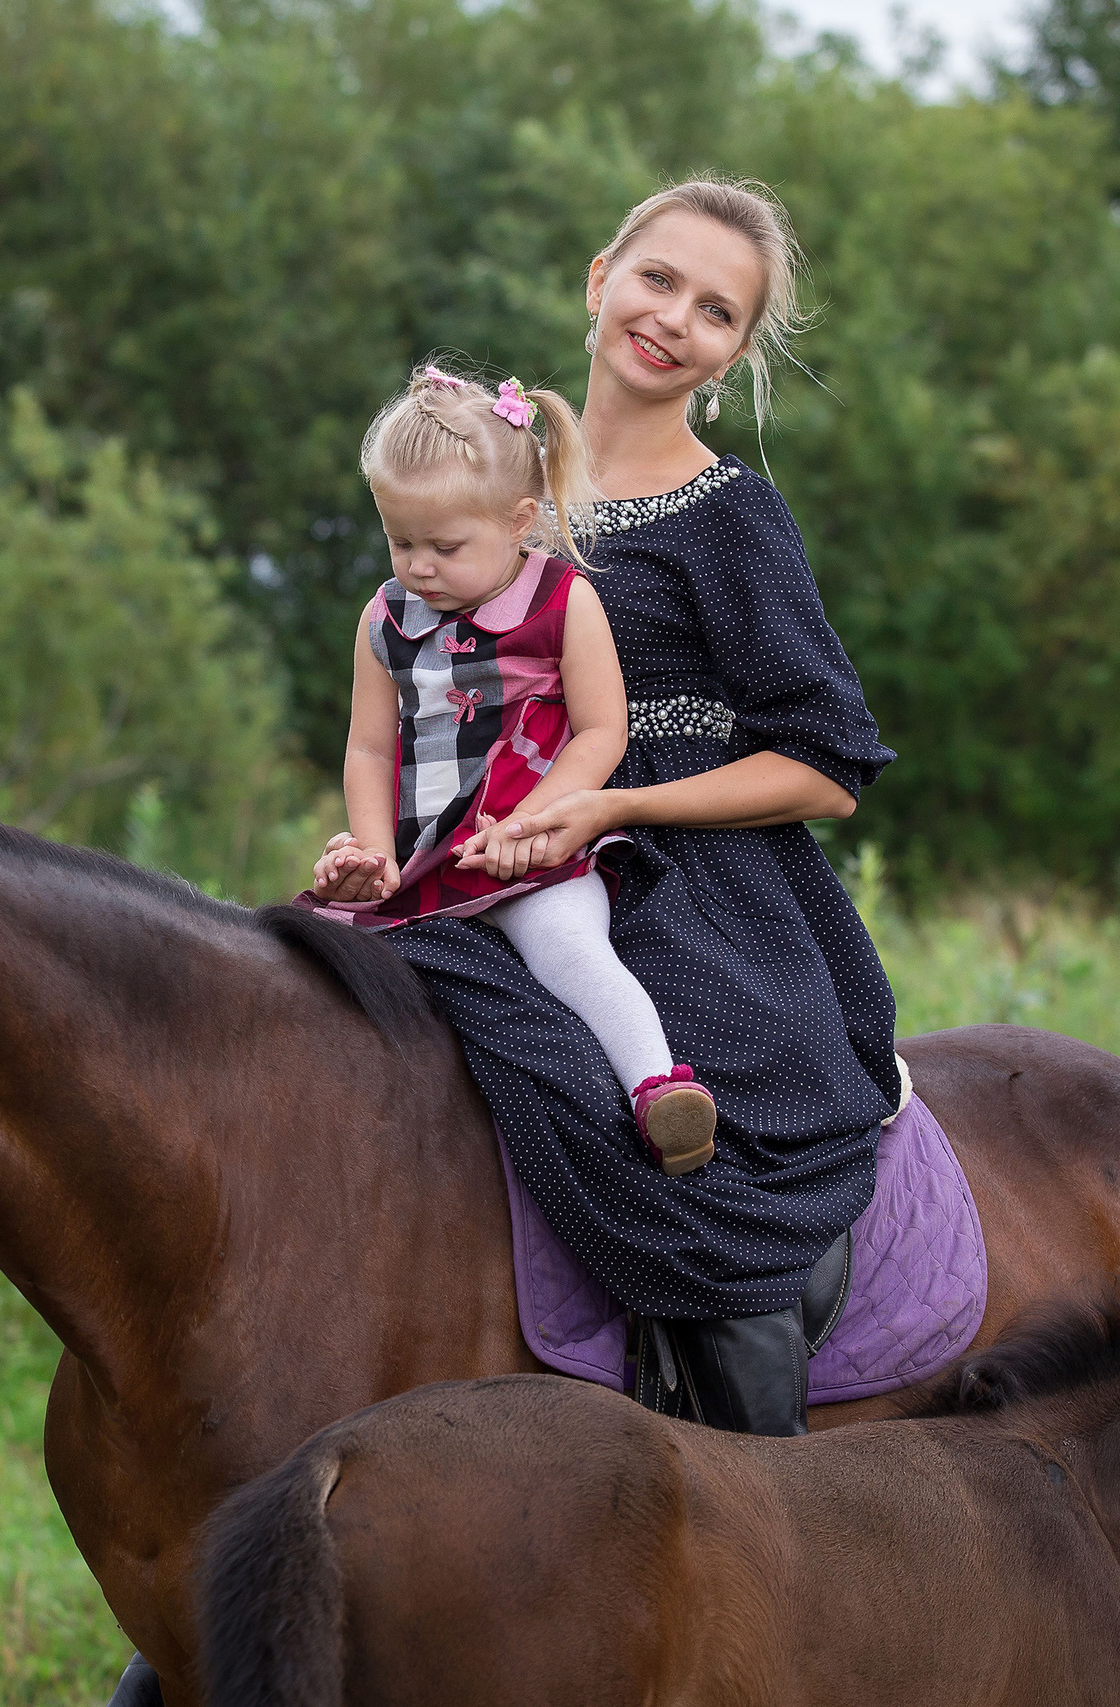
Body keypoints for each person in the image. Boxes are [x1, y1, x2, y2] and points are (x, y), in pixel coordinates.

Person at [382, 178, 903, 1438]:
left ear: (732, 355)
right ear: (599, 277)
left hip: (697, 898)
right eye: (658, 279)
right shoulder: (489, 481)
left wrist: (613, 803)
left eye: (716, 311)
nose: (673, 318)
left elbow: (826, 766)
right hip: (486, 864)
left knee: (681, 1149)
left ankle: (762, 1484)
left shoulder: (732, 518)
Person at [303, 366, 721, 1175]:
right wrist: (371, 850)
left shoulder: (563, 601)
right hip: (422, 862)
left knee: (569, 948)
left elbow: (601, 731)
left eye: (444, 547)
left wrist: (534, 824)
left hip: (534, 854)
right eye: (400, 542)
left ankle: (659, 1089)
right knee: (323, 967)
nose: (418, 567)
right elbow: (370, 749)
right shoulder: (385, 619)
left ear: (520, 521)